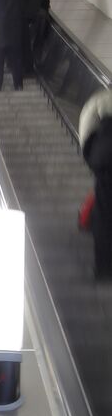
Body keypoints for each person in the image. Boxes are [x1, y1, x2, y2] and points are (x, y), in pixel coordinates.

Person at [80, 89, 112, 278]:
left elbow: (85, 128)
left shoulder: (100, 99)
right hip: (103, 160)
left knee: (104, 215)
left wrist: (90, 157)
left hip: (104, 164)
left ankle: (103, 269)